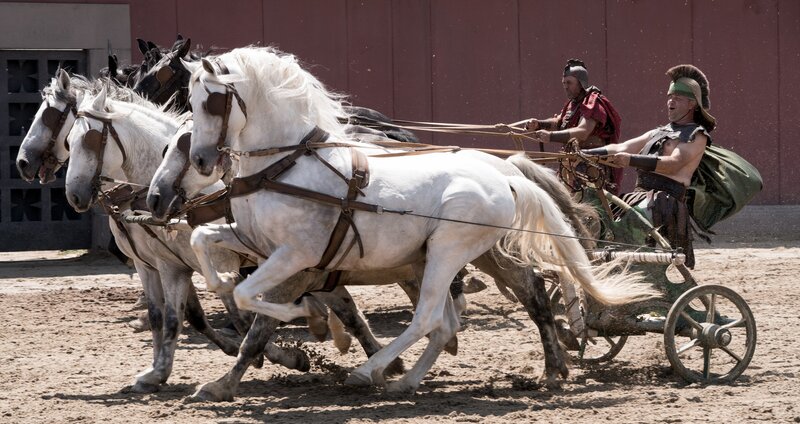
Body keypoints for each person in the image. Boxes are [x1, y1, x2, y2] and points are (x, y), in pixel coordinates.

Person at [583, 64, 716, 269]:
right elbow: (623, 146)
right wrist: (586, 154)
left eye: (677, 98)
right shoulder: (660, 131)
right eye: (669, 96)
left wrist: (630, 160)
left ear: (692, 104)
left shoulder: (697, 135)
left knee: (631, 223)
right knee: (601, 219)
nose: (670, 101)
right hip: (639, 197)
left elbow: (673, 164)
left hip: (664, 202)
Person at [527, 59, 623, 194]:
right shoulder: (573, 104)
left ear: (581, 83)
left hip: (590, 167)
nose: (565, 86)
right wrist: (539, 124)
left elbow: (583, 131)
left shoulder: (593, 103)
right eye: (564, 83)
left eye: (569, 83)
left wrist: (550, 136)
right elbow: (560, 122)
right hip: (571, 165)